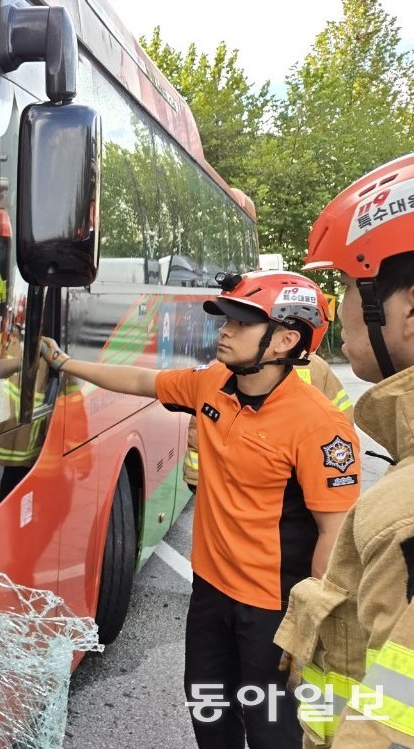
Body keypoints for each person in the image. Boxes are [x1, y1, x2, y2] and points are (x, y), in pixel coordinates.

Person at [39, 270, 361, 749]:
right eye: (225, 320)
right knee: (209, 712)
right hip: (210, 590)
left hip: (272, 607)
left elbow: (335, 533)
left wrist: (309, 628)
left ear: (285, 340)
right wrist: (67, 364)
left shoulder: (319, 425)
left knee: (272, 729)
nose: (223, 331)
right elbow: (143, 380)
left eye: (240, 324)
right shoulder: (213, 383)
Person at [275, 152, 414, 748]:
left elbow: (388, 727)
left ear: (408, 312)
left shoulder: (402, 517)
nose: (341, 312)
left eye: (351, 287)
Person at [183, 353, 354, 492]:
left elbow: (201, 427)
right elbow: (343, 422)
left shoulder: (228, 367)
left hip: (241, 483)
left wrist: (195, 477)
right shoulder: (317, 367)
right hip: (299, 479)